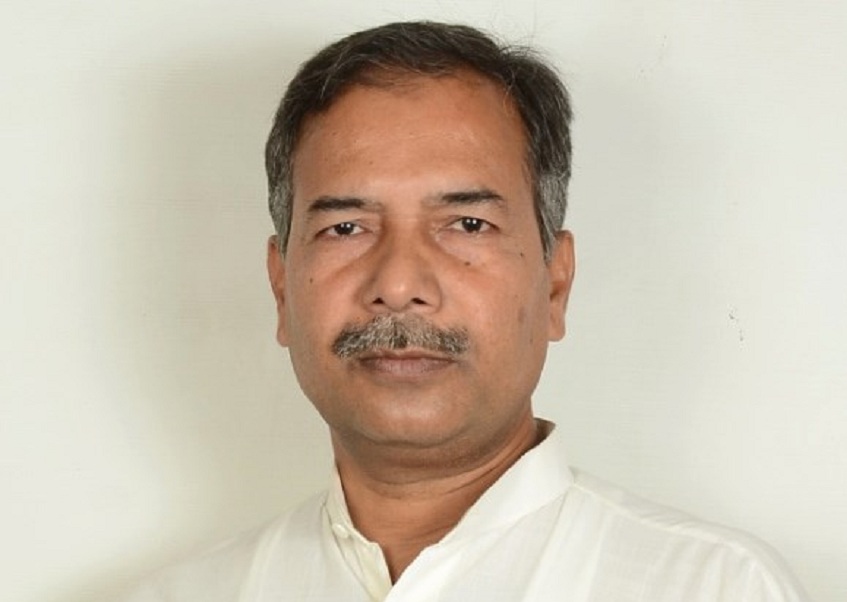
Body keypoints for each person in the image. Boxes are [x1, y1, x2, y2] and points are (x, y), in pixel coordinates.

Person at [124, 21, 810, 601]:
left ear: (554, 285)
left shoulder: (714, 586)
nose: (399, 285)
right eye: (346, 227)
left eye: (467, 225)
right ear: (281, 289)